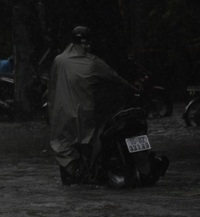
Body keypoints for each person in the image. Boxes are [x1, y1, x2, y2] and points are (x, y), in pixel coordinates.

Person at [47, 25, 137, 185]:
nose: (87, 47)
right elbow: (115, 78)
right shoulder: (93, 63)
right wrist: (134, 89)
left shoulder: (59, 60)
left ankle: (76, 175)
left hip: (63, 114)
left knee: (67, 146)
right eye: (85, 44)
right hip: (84, 114)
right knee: (87, 144)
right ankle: (84, 174)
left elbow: (52, 87)